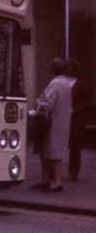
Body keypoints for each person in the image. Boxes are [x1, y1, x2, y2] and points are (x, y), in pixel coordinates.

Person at [33, 57, 74, 191]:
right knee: (54, 151)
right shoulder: (67, 84)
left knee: (50, 151)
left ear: (53, 70)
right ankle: (50, 180)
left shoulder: (55, 83)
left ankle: (56, 181)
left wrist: (38, 102)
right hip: (63, 121)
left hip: (50, 122)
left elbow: (47, 104)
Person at [66, 59, 89, 181]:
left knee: (75, 145)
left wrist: (74, 109)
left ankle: (74, 171)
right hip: (64, 116)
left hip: (76, 118)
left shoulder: (82, 83)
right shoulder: (64, 82)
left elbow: (86, 101)